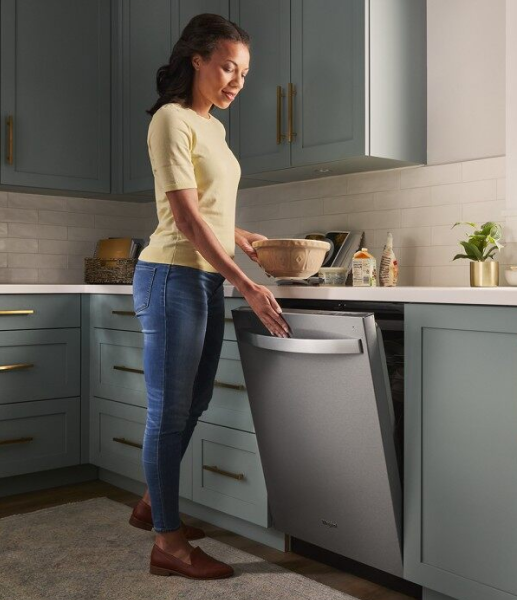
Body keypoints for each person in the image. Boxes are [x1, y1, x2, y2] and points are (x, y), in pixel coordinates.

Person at [128, 13, 291, 580]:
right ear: (196, 59)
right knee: (168, 414)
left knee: (193, 404)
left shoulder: (214, 129)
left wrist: (244, 239)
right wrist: (247, 282)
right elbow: (186, 218)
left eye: (243, 73)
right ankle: (167, 544)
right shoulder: (171, 121)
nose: (236, 82)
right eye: (227, 66)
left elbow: (212, 214)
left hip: (204, 278)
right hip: (171, 277)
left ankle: (153, 504)